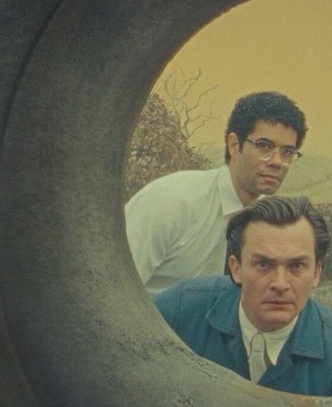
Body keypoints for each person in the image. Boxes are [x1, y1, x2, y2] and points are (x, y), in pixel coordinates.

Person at [153, 196, 332, 396]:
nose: (280, 284)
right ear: (236, 268)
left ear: (316, 273)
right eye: (263, 264)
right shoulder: (179, 309)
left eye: (296, 266)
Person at [125, 91, 307, 295]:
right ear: (234, 145)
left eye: (287, 152)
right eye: (264, 146)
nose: (277, 162)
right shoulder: (172, 201)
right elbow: (111, 288)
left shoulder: (269, 221)